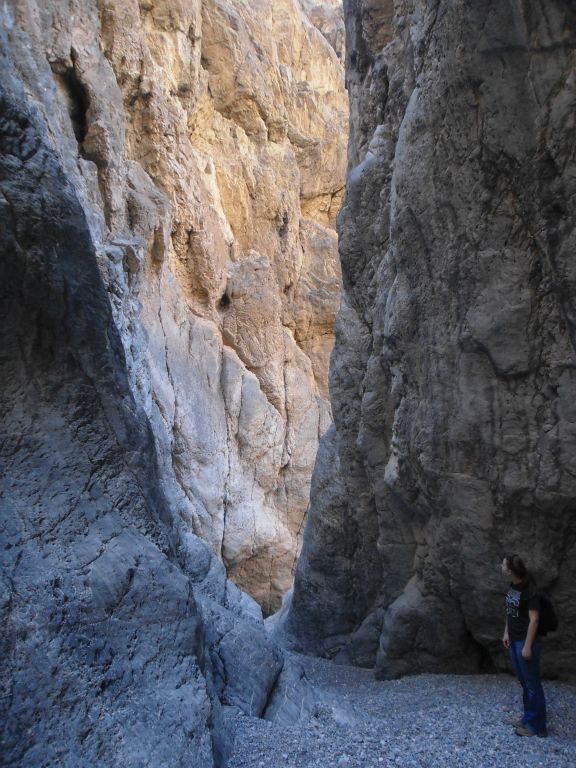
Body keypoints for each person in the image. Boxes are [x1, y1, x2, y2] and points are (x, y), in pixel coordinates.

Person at [501, 554, 547, 737]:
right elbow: (510, 612)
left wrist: (527, 647)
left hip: (524, 642)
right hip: (514, 639)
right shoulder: (513, 587)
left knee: (532, 684)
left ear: (510, 570)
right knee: (525, 682)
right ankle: (528, 718)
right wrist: (506, 632)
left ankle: (537, 726)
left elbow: (534, 621)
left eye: (503, 564)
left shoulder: (530, 591)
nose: (501, 566)